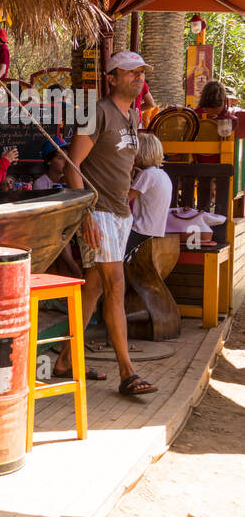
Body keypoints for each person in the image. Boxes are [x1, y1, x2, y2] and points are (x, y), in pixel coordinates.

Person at [54, 50, 156, 396]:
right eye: (130, 73)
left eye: (141, 73)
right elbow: (72, 164)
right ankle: (128, 372)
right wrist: (84, 213)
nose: (138, 78)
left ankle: (65, 361)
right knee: (115, 284)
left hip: (119, 213)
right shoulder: (97, 112)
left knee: (94, 288)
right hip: (98, 213)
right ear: (111, 79)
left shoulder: (132, 115)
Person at [127, 131, 171, 260]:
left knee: (119, 262)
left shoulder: (146, 175)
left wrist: (129, 176)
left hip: (140, 229)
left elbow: (124, 200)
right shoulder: (161, 174)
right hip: (156, 230)